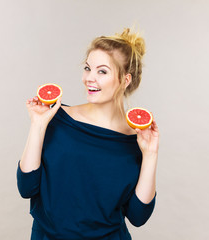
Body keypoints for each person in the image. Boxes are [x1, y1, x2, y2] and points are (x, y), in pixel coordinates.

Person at [17, 27, 159, 240]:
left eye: (102, 71)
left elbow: (138, 217)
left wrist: (151, 155)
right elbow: (26, 188)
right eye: (87, 68)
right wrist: (37, 125)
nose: (89, 78)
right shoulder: (56, 118)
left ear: (125, 80)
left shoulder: (137, 140)